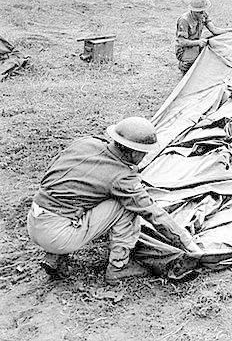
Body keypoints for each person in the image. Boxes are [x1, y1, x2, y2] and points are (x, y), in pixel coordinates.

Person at [27, 117, 201, 284]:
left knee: (84, 192)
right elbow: (151, 211)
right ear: (134, 153)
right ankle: (118, 267)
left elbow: (56, 175)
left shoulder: (85, 143)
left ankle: (53, 256)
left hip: (35, 218)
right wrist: (186, 241)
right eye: (143, 153)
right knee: (125, 205)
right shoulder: (121, 177)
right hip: (58, 234)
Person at [175, 0, 232, 74]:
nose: (202, 14)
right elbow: (181, 41)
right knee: (192, 66)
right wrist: (198, 42)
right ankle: (184, 65)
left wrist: (229, 30)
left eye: (203, 11)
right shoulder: (184, 20)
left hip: (197, 43)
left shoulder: (203, 15)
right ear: (193, 11)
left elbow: (214, 30)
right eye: (199, 12)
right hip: (185, 48)